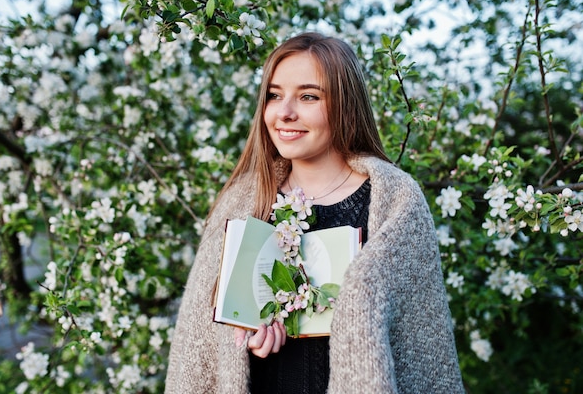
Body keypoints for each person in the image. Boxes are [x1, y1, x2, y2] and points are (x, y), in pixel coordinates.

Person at [164, 32, 465, 393]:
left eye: (308, 96)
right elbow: (201, 348)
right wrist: (244, 342)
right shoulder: (243, 203)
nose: (285, 113)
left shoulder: (395, 204)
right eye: (274, 95)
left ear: (344, 104)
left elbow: (422, 352)